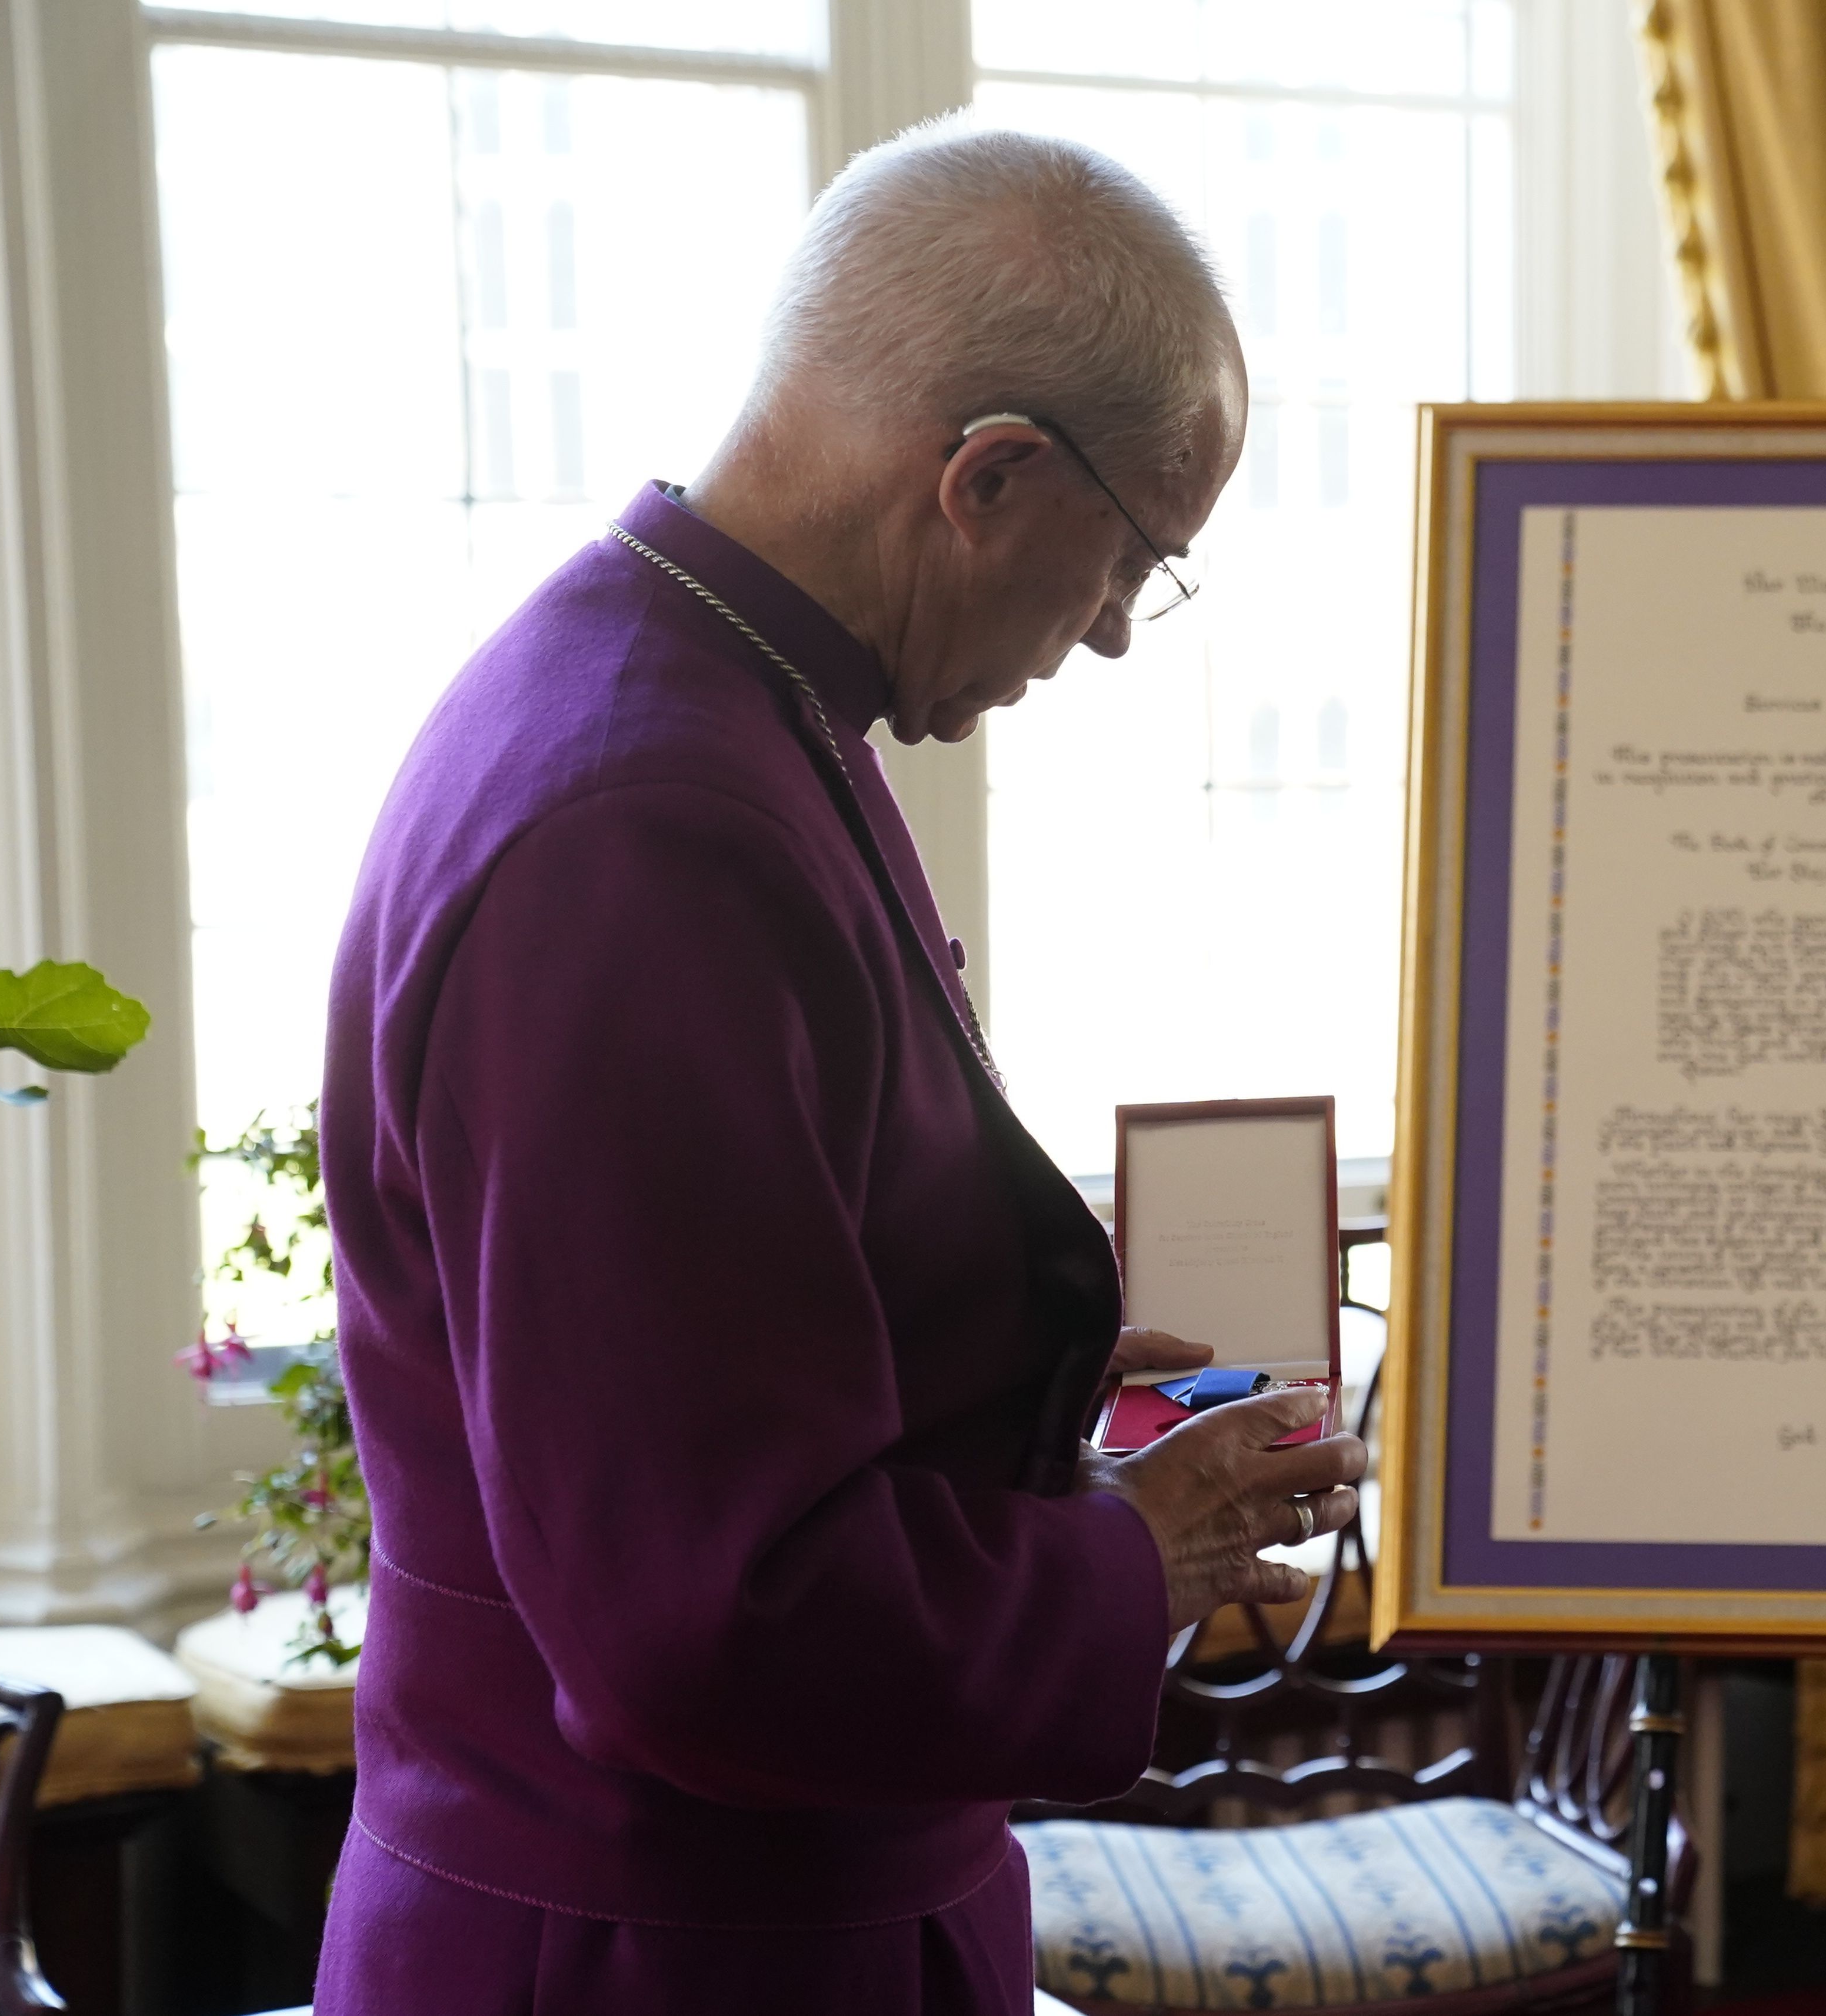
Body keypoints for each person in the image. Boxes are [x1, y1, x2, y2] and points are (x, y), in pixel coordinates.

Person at [314, 125, 1360, 2014]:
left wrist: (1009, 1377)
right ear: (991, 477)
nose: (1118, 629)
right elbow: (704, 1619)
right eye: (1137, 562)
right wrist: (1142, 1556)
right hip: (665, 1947)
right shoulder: (642, 819)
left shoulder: (706, 687)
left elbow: (734, 1334)